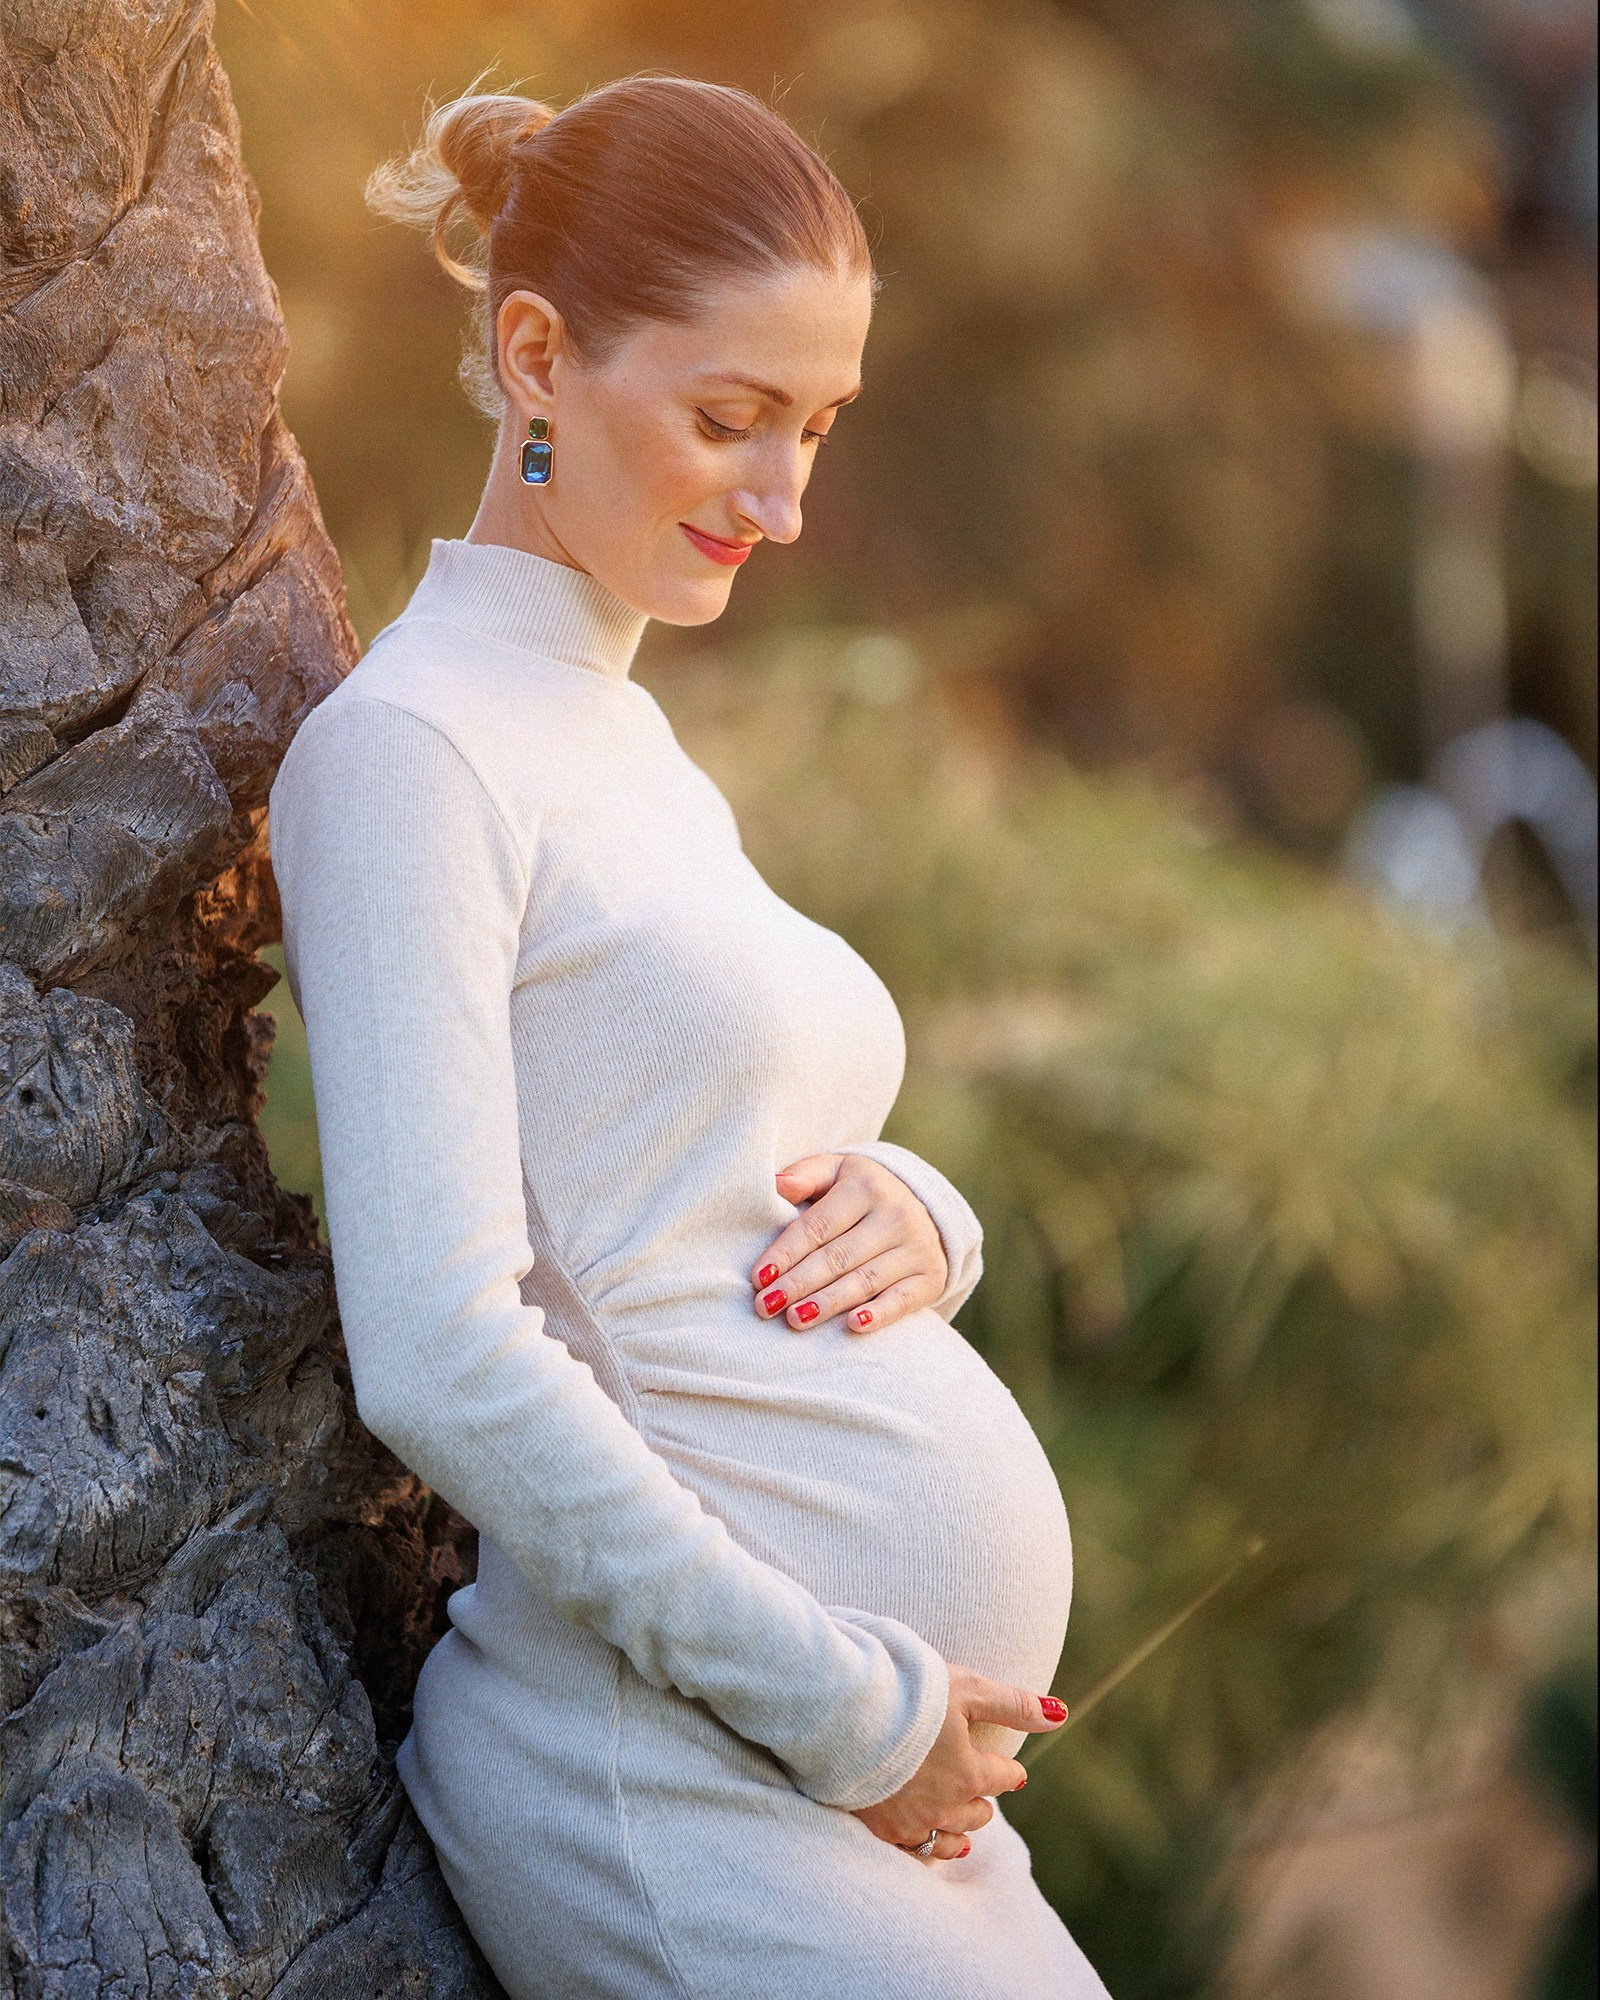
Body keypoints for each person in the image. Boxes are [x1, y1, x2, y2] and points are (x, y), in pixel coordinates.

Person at [267, 72, 1110, 2000]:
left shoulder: (621, 741)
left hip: (844, 1777)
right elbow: (445, 1352)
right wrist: (852, 1713)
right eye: (731, 418)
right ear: (536, 358)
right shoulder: (412, 755)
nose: (784, 500)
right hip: (666, 1775)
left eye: (815, 428)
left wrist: (923, 1212)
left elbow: (685, 1183)